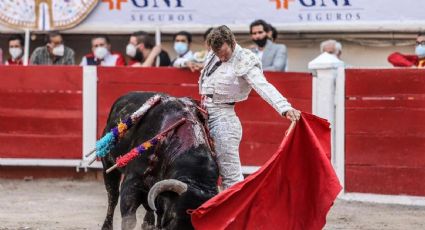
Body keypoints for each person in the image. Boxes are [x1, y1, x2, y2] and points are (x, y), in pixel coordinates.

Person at [199, 25, 301, 189]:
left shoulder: (244, 60)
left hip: (224, 120)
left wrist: (285, 108)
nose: (222, 58)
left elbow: (263, 86)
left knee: (231, 176)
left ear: (232, 42)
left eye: (224, 54)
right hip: (203, 115)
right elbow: (202, 63)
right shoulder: (214, 54)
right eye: (218, 54)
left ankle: (235, 213)